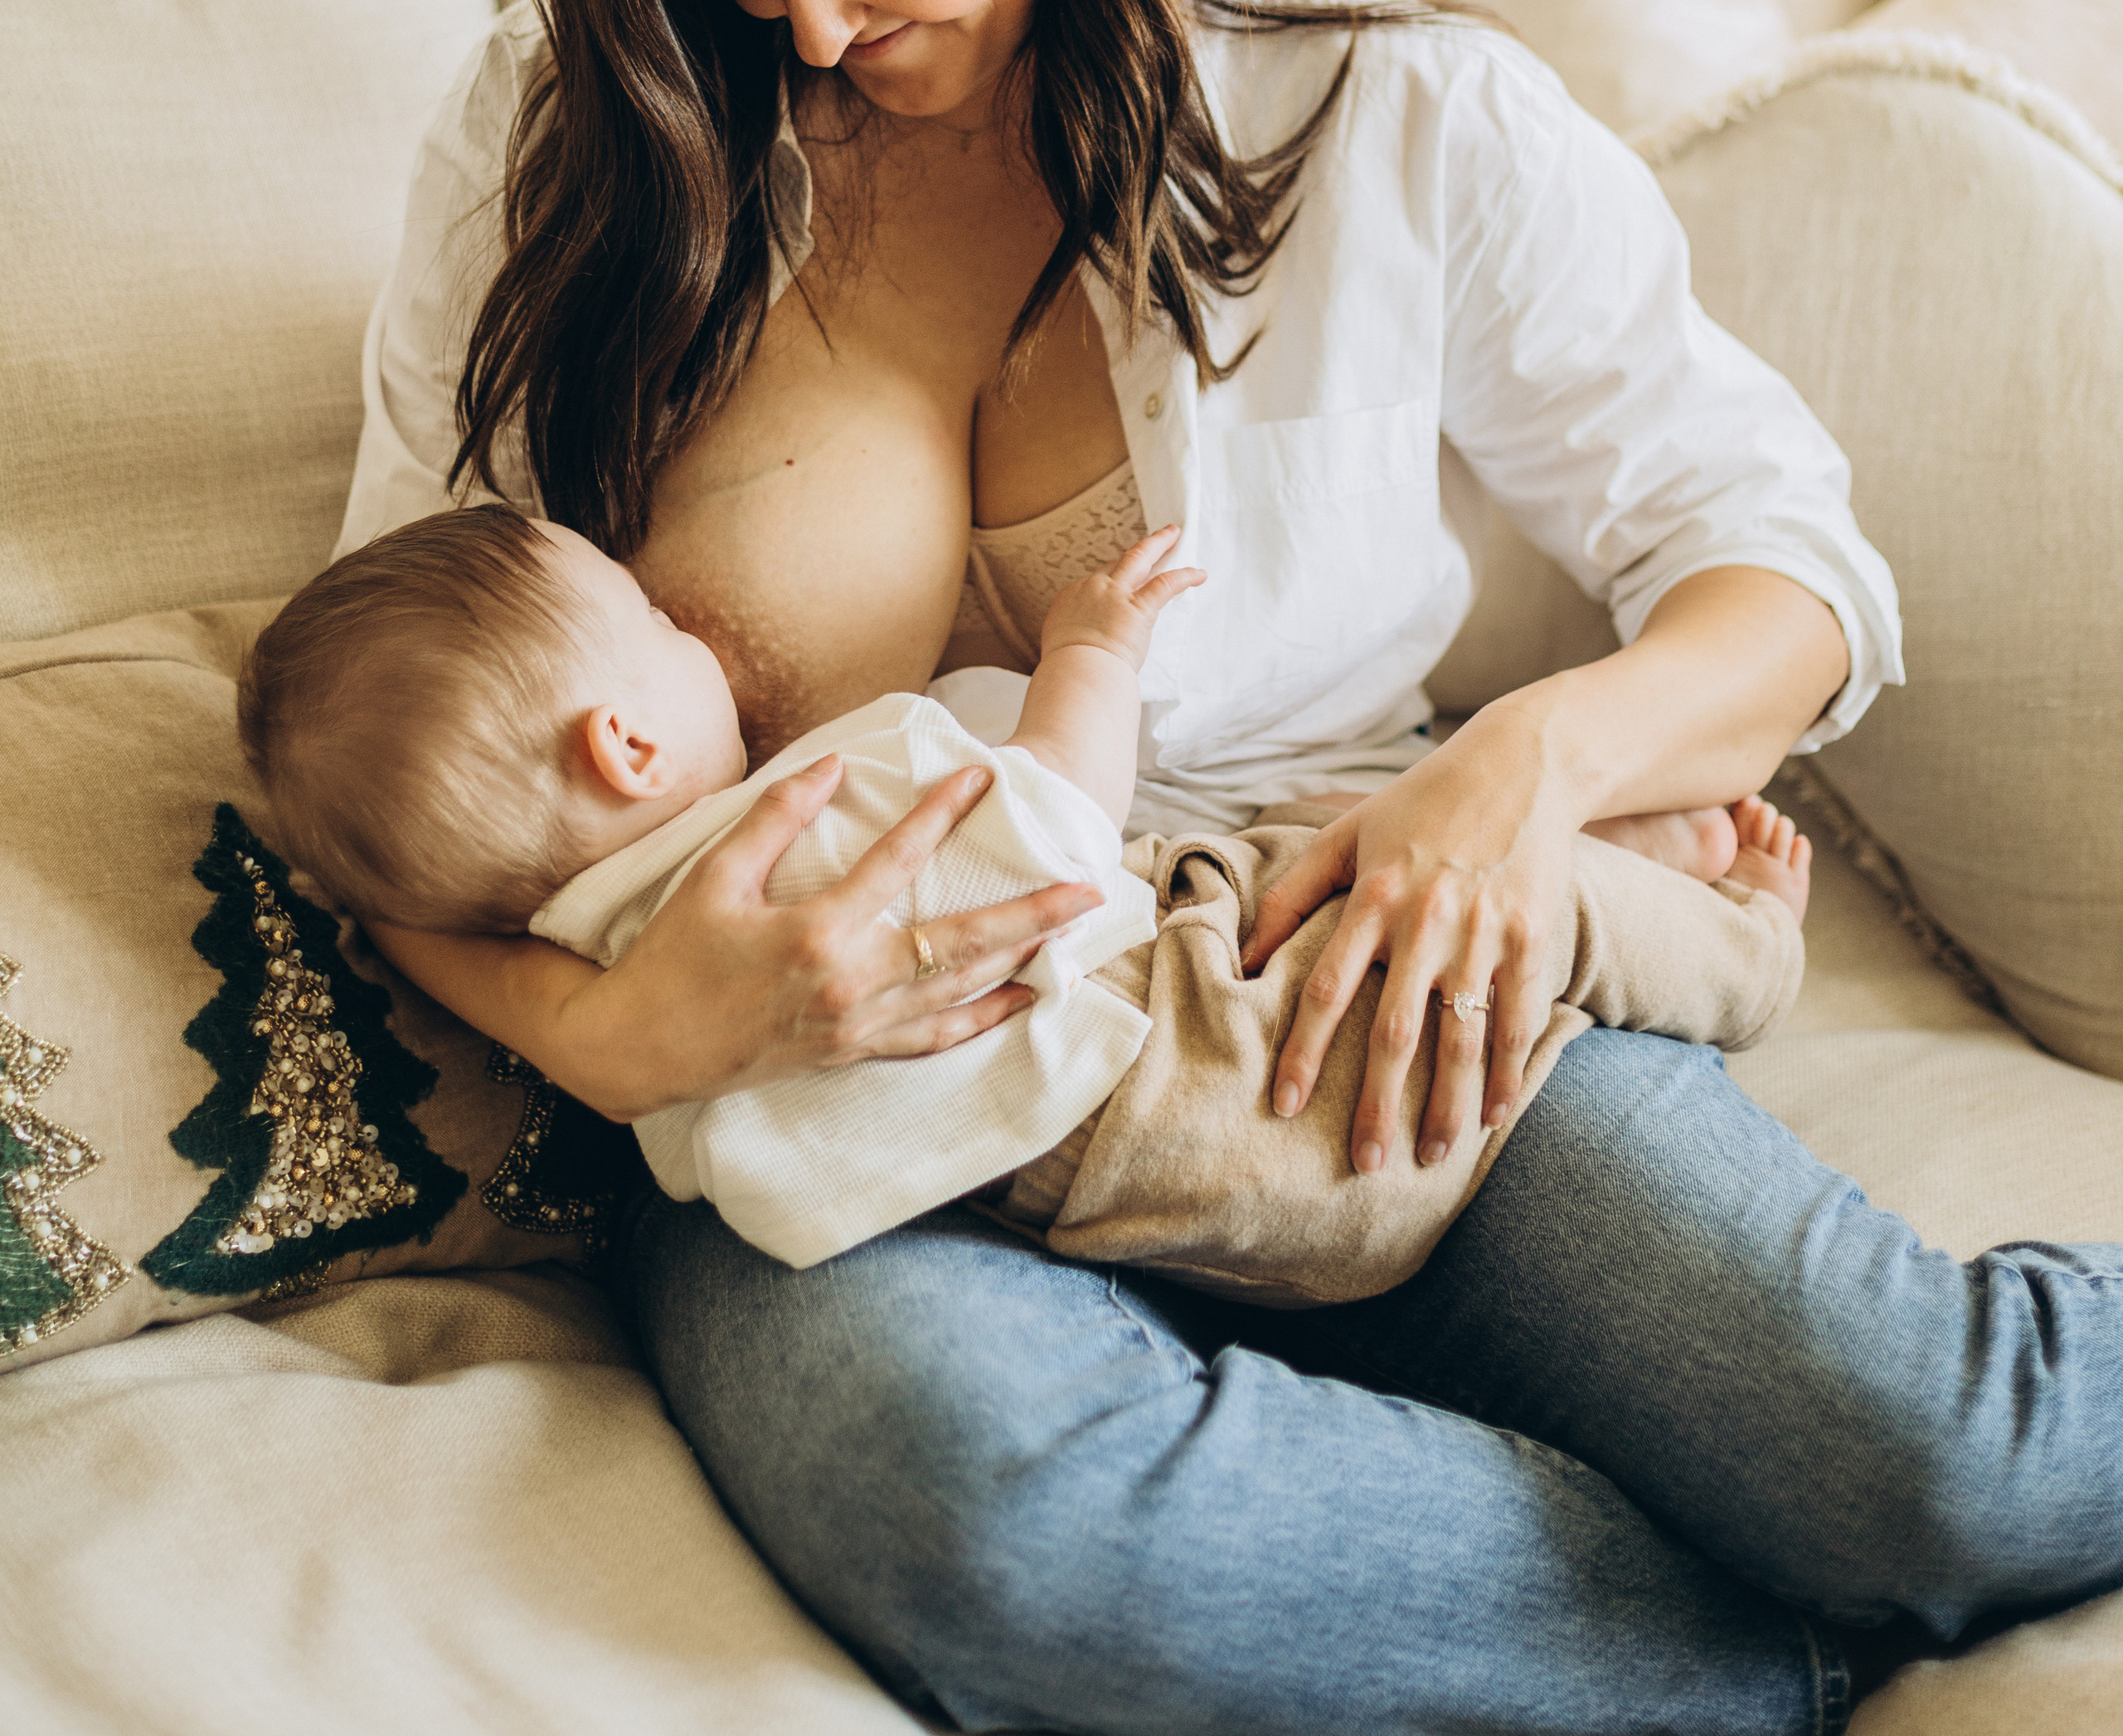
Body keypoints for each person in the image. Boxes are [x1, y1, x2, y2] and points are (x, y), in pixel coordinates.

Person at [342, 0, 2123, 1736]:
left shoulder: (1401, 123)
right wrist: (627, 1030)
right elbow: (380, 763)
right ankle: (1788, 1685)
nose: (803, 32)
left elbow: (1785, 565)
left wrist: (1526, 773)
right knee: (973, 1507)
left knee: (1949, 1462)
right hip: (841, 1100)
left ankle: (1865, 1555)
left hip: (1334, 966)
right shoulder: (565, 141)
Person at [238, 506, 1808, 1296]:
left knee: (1336, 830)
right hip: (1239, 1069)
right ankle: (1739, 940)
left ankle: (1637, 860)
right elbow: (1066, 824)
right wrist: (1093, 657)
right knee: (1373, 880)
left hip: (1162, 1221)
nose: (678, 619)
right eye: (646, 615)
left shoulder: (598, 965)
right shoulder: (820, 817)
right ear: (625, 742)